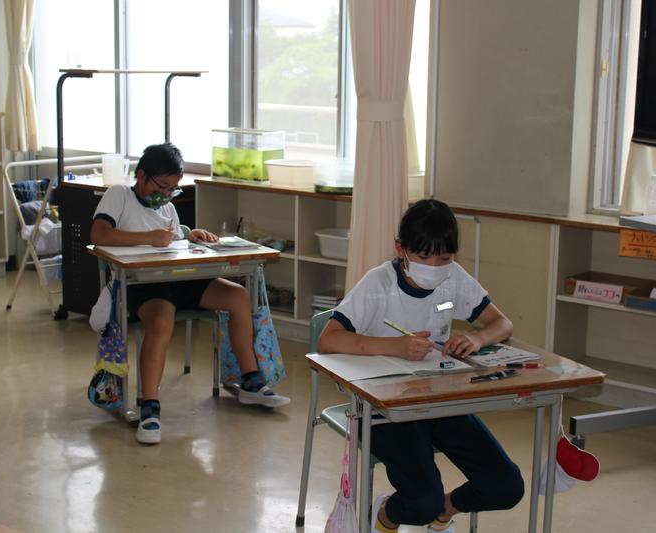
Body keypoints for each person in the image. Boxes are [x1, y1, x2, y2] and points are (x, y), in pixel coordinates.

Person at [317, 199, 523, 533]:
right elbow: (328, 340)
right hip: (384, 410)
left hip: (441, 402)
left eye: (445, 258)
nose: (435, 267)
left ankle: (444, 509)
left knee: (506, 485)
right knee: (421, 500)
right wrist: (395, 347)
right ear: (400, 248)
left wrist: (476, 339)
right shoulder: (378, 285)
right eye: (424, 257)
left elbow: (503, 324)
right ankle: (385, 514)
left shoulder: (453, 279)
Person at [91, 142, 290, 445]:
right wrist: (149, 238)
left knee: (238, 296)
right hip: (141, 285)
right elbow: (99, 234)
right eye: (162, 186)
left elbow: (171, 239)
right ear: (141, 175)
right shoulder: (120, 195)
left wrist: (189, 235)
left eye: (173, 189)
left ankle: (250, 381)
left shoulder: (167, 207)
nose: (166, 194)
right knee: (161, 322)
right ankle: (150, 407)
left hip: (178, 279)